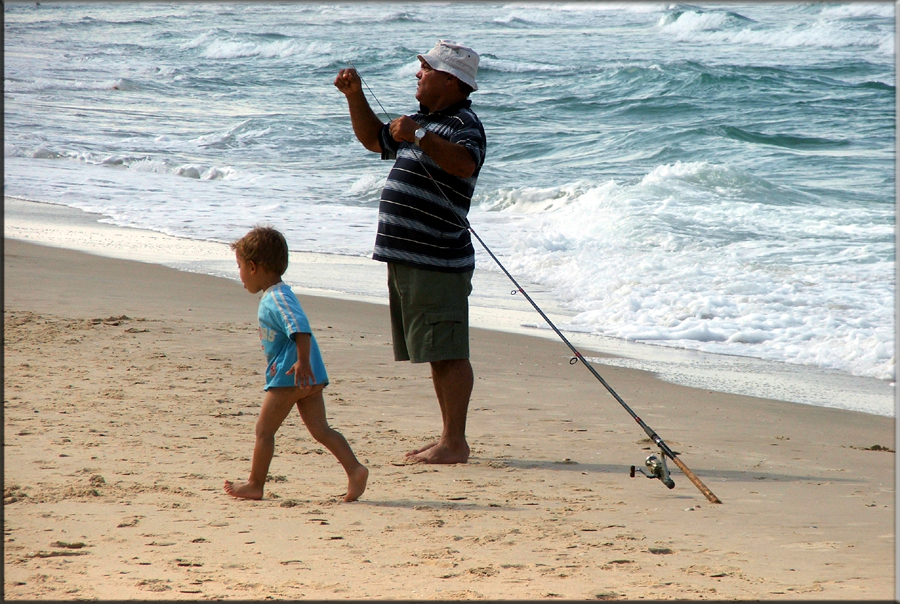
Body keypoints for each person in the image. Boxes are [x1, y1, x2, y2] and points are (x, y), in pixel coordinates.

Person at [334, 40, 486, 464]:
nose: (417, 75)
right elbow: (373, 139)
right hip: (409, 258)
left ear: (452, 81)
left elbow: (465, 164)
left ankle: (454, 442)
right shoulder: (420, 121)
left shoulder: (463, 124)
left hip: (437, 258)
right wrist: (355, 96)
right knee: (436, 350)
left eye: (426, 69)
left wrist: (419, 136)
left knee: (448, 350)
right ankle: (448, 438)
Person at [224, 226, 368, 501]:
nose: (239, 274)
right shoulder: (276, 295)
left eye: (240, 266)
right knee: (321, 430)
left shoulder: (278, 297)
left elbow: (300, 328)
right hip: (307, 377)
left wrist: (301, 362)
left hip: (292, 376)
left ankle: (255, 484)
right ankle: (355, 469)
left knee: (264, 431)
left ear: (254, 267)